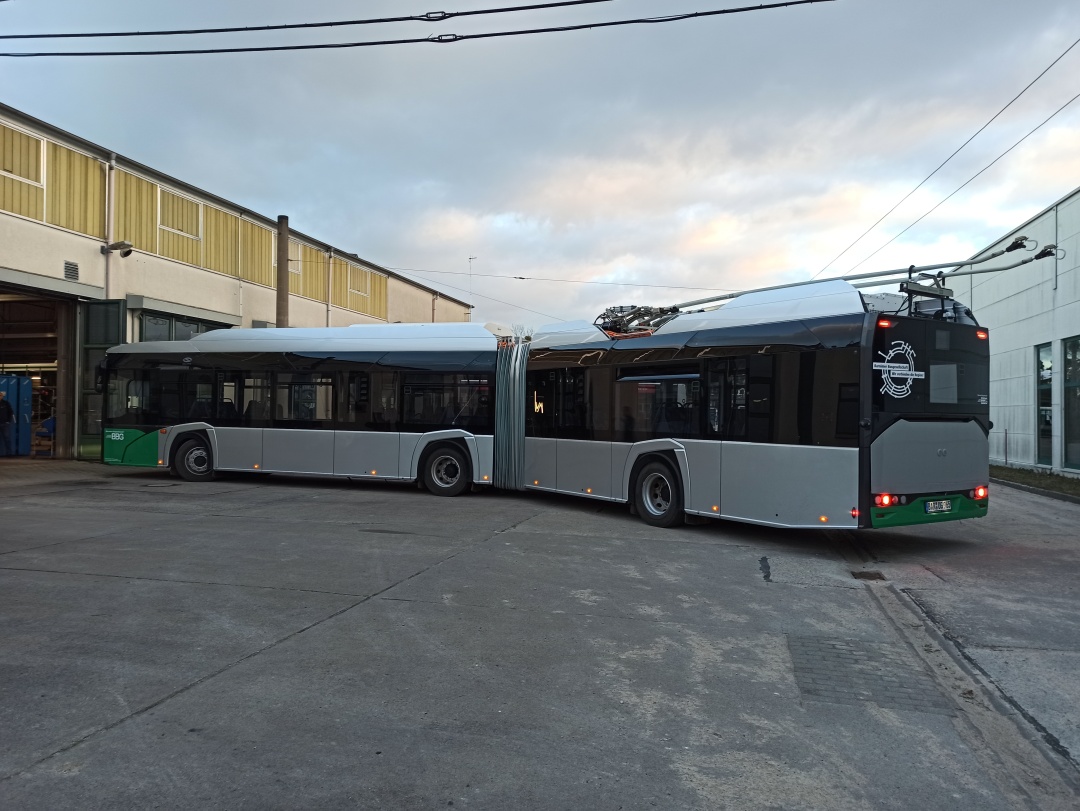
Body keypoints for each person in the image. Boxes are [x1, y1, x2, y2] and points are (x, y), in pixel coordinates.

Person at [0, 391, 14, 457]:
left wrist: (8, 421)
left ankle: (9, 453)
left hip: (4, 424)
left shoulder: (5, 403)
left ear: (2, 396)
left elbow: (10, 412)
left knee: (7, 439)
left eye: (0, 395)